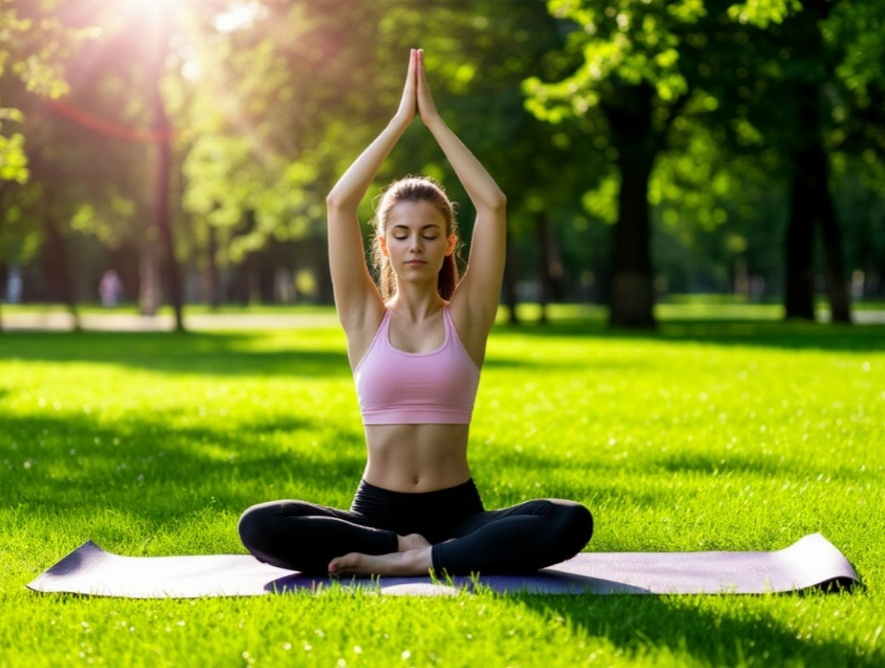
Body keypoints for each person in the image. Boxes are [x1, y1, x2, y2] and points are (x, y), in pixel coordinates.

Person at [238, 49, 592, 577]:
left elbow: (492, 204)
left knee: (569, 521)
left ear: (450, 243)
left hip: (459, 512)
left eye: (429, 234)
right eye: (401, 235)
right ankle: (400, 546)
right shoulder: (365, 319)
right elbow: (339, 203)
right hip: (377, 515)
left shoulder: (467, 319)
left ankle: (414, 560)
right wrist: (401, 120)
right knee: (260, 525)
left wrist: (435, 121)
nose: (415, 246)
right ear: (383, 245)